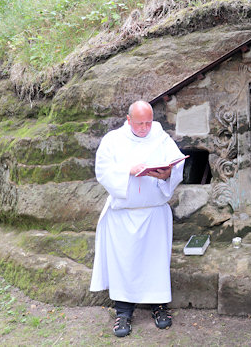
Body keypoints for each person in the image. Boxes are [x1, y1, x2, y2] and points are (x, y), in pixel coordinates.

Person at [89, 100, 186, 337]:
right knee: (125, 264)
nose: (144, 128)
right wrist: (128, 171)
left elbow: (177, 166)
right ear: (128, 119)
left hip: (154, 213)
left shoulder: (162, 138)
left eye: (148, 122)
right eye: (139, 123)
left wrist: (166, 175)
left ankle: (160, 307)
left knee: (155, 262)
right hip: (123, 214)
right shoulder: (113, 140)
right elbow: (101, 170)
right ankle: (123, 313)